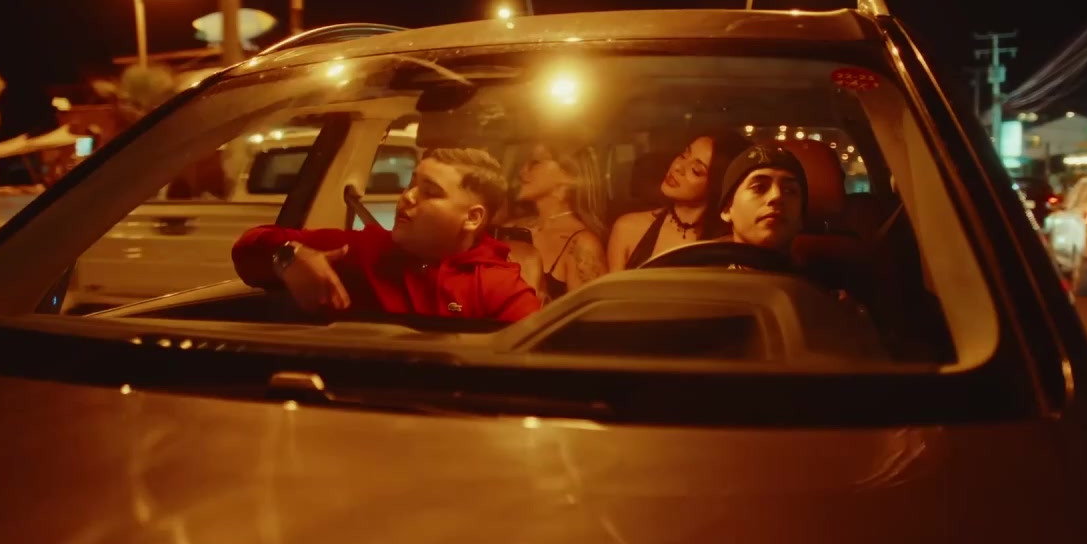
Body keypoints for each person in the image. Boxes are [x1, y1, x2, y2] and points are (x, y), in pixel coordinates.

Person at [232, 147, 542, 322]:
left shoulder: (499, 287)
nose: (407, 197)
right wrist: (288, 256)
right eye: (412, 184)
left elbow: (528, 369)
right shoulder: (362, 250)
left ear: (472, 218)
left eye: (430, 192)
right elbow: (248, 245)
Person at [606, 130, 750, 271]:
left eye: (695, 170)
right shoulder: (628, 228)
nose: (677, 167)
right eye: (683, 155)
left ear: (717, 185)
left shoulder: (733, 246)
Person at [509, 143, 609, 298]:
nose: (523, 171)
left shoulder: (581, 245)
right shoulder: (509, 229)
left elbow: (590, 311)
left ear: (567, 175)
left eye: (535, 163)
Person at [714, 143, 807, 255]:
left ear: (801, 216)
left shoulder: (821, 265)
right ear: (727, 208)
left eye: (789, 191)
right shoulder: (700, 263)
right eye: (759, 187)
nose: (776, 196)